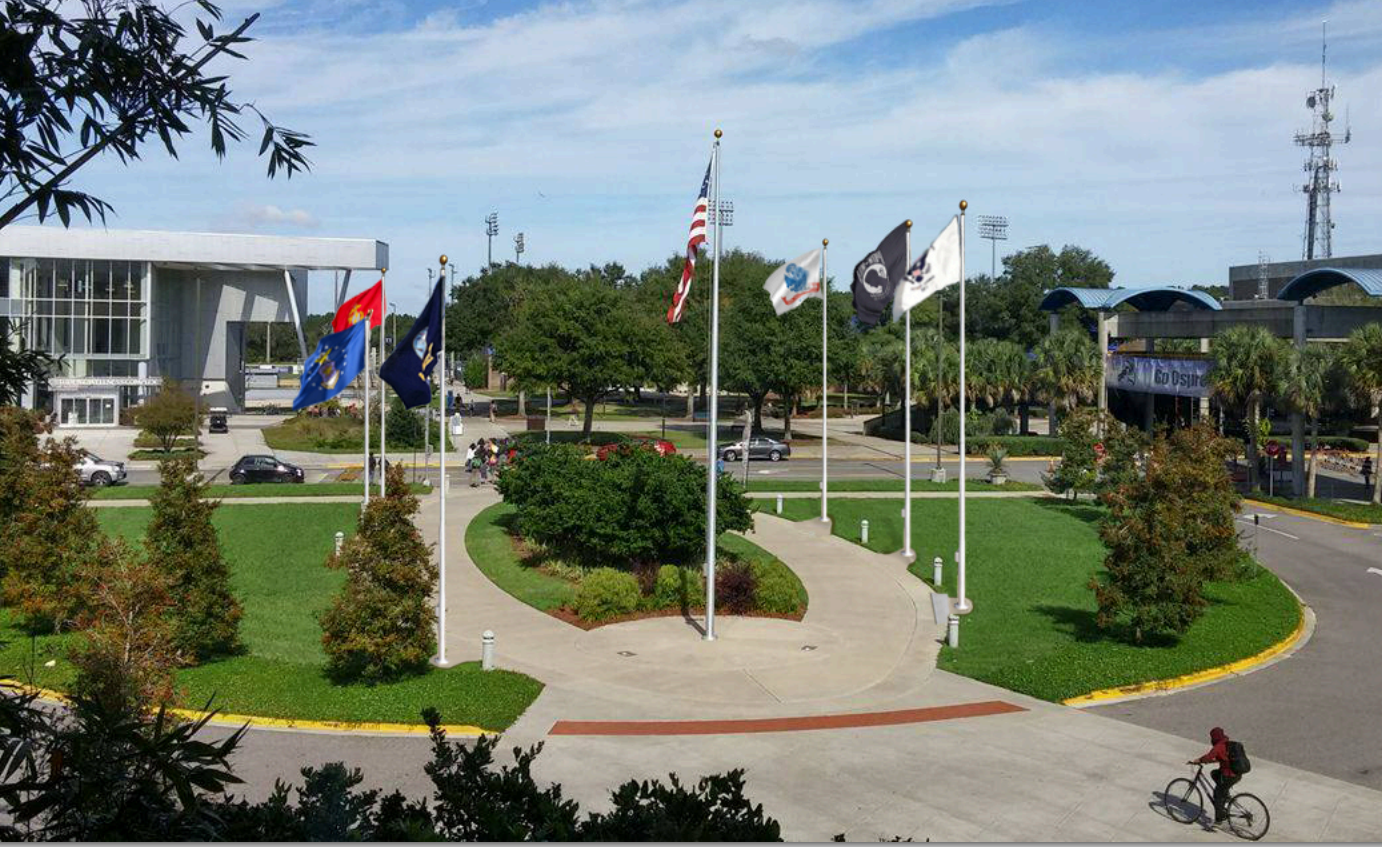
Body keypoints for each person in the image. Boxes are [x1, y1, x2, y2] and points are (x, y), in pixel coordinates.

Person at [1189, 727, 1239, 825]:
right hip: (1236, 773)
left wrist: (1198, 760)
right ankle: (1225, 794)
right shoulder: (1226, 743)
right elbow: (1222, 758)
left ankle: (1219, 820)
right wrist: (1211, 761)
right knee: (1214, 773)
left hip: (1228, 775)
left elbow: (1208, 756)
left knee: (1217, 795)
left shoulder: (1218, 746)